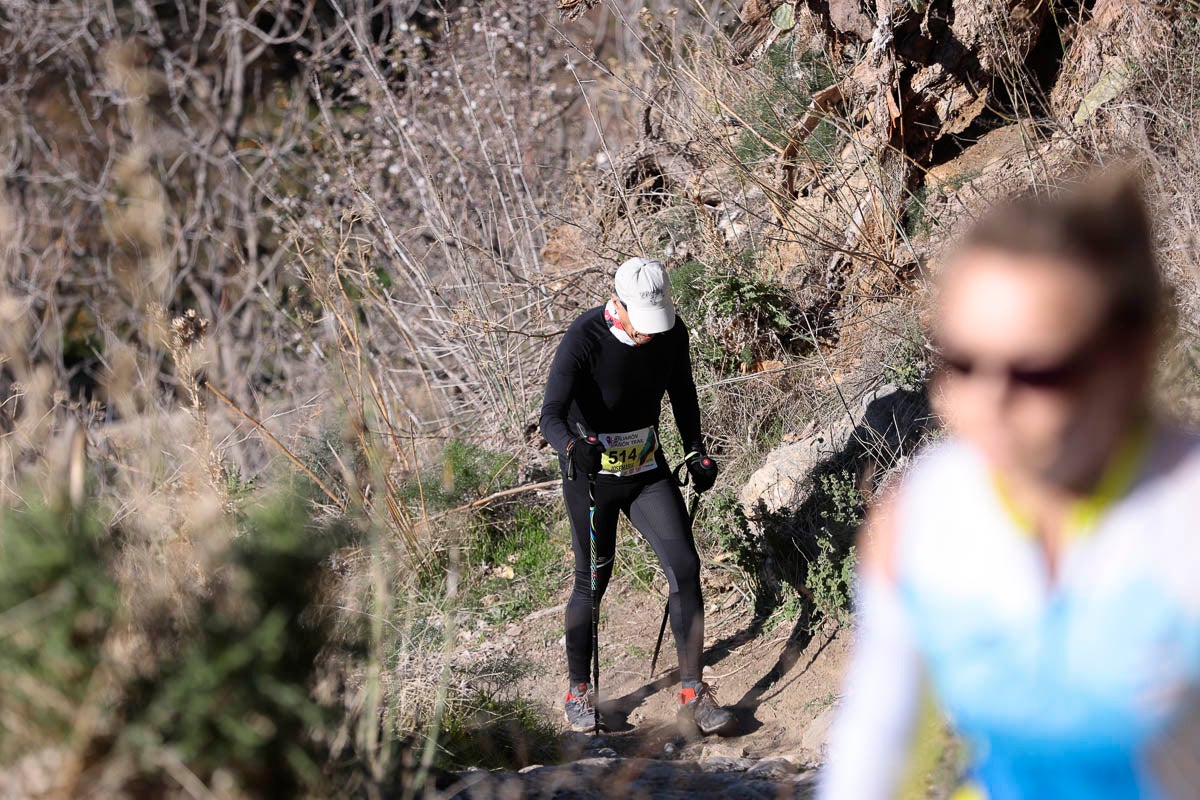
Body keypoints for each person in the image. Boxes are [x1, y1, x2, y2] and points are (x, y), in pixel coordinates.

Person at [818, 171, 1200, 799]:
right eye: (962, 363)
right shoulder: (924, 512)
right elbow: (875, 752)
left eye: (1037, 372)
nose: (989, 402)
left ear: (1128, 361)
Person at [539, 256, 734, 735]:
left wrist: (694, 450)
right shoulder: (584, 337)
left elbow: (683, 392)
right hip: (591, 479)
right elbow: (550, 415)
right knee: (592, 581)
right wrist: (572, 447)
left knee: (685, 567)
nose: (650, 331)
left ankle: (692, 693)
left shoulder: (671, 332)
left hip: (646, 470)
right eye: (641, 321)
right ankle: (578, 692)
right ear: (618, 303)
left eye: (657, 320)